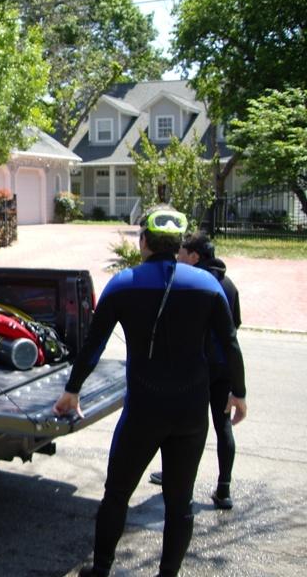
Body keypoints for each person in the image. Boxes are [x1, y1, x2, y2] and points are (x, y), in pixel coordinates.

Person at [53, 206, 247, 577]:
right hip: (190, 411)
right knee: (180, 502)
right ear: (178, 245)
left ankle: (101, 570)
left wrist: (72, 390)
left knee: (117, 494)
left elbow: (94, 344)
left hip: (143, 409)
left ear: (143, 242)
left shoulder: (123, 283)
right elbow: (230, 344)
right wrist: (238, 392)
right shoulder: (208, 285)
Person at [149, 232, 241, 510]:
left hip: (197, 368)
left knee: (181, 426)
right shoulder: (229, 285)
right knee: (223, 426)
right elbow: (234, 327)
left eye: (181, 252)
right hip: (224, 366)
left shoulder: (190, 284)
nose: (177, 257)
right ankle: (224, 489)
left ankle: (176, 480)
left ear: (194, 256)